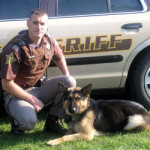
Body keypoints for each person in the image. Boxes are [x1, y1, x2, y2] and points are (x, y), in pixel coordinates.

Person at [0, 8, 76, 135]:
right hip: (16, 93)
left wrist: (66, 75)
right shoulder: (15, 48)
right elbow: (6, 84)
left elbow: (59, 56)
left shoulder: (49, 40)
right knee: (29, 122)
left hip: (39, 89)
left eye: (42, 24)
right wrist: (32, 100)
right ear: (28, 24)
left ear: (47, 26)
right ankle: (18, 124)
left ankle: (53, 122)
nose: (39, 27)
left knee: (70, 81)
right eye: (35, 23)